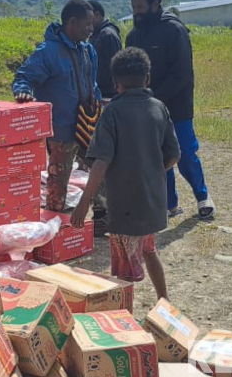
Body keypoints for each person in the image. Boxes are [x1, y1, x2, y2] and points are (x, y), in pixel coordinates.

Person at [71, 47, 180, 300]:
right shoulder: (159, 108)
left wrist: (83, 203)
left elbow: (101, 163)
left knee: (122, 272)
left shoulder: (112, 112)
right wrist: (150, 171)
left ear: (116, 84)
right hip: (152, 202)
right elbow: (174, 155)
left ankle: (123, 322)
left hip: (124, 205)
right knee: (149, 251)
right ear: (148, 79)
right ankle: (164, 302)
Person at [12, 0, 108, 236]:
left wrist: (98, 107)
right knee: (58, 181)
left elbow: (92, 83)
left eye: (92, 24)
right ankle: (56, 227)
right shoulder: (48, 52)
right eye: (86, 24)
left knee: (101, 168)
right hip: (61, 129)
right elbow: (24, 76)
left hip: (88, 124)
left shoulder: (88, 50)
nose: (91, 28)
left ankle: (103, 217)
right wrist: (23, 91)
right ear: (71, 22)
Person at [126, 0, 215, 221]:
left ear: (156, 4)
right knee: (158, 157)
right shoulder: (134, 35)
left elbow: (181, 74)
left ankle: (203, 197)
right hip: (146, 109)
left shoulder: (175, 30)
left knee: (185, 153)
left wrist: (153, 97)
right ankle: (169, 204)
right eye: (133, 7)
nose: (136, 12)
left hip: (177, 107)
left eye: (140, 7)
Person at [87, 0, 122, 100]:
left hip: (108, 94)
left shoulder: (107, 35)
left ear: (96, 15)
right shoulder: (96, 34)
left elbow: (115, 66)